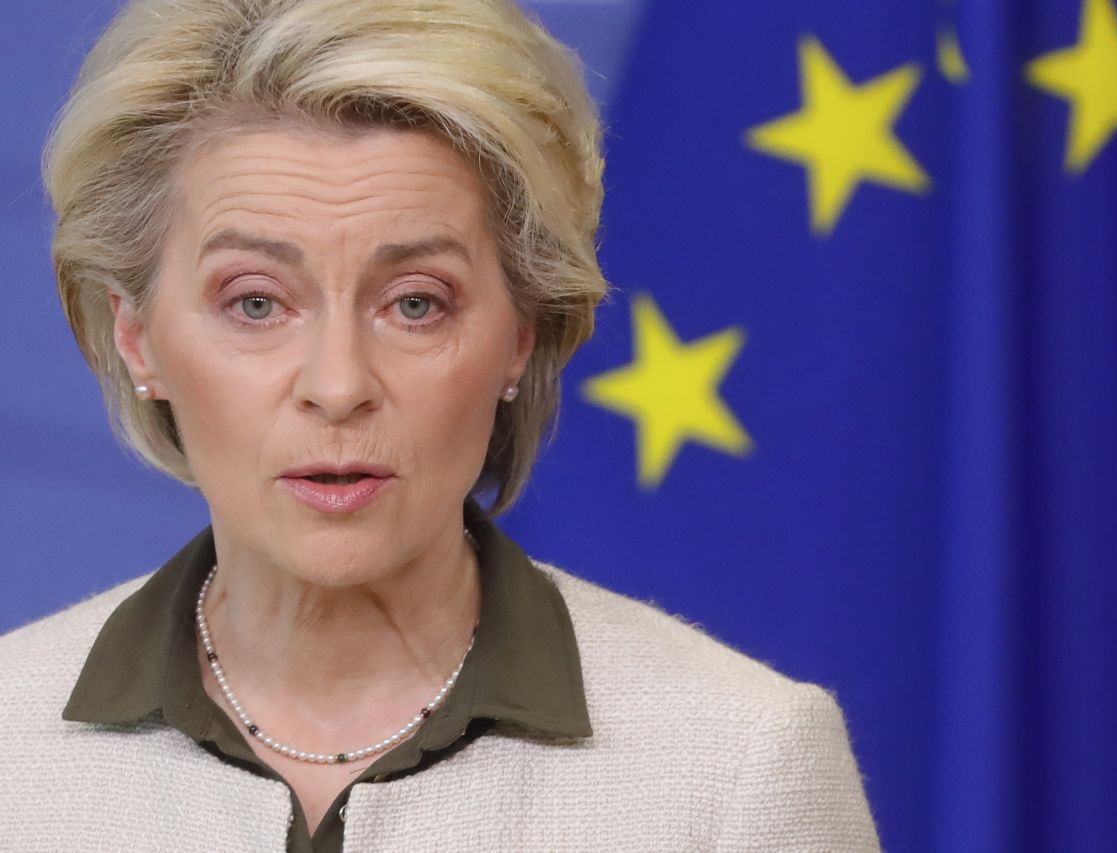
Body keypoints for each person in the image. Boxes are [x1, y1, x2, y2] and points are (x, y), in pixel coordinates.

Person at [0, 0, 880, 849]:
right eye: (256, 302)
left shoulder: (739, 764)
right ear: (137, 336)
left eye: (415, 303)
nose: (339, 385)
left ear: (520, 336)